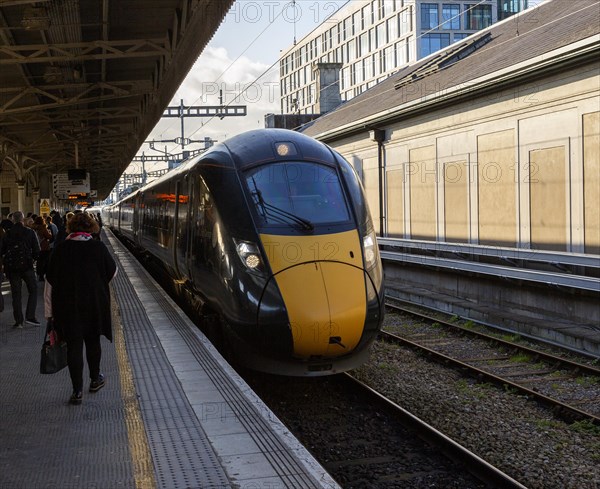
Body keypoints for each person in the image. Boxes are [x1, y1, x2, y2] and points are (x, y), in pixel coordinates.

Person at [45, 212, 117, 405]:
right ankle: (95, 379)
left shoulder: (60, 250)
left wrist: (49, 314)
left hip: (67, 308)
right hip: (94, 305)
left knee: (73, 347)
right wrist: (96, 284)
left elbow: (49, 281)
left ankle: (77, 391)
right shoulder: (98, 247)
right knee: (93, 343)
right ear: (91, 228)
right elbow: (112, 272)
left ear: (70, 228)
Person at [0, 211, 41, 328]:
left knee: (16, 295)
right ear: (23, 220)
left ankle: (18, 321)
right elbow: (37, 250)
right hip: (27, 267)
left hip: (12, 268)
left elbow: (1, 251)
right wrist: (32, 260)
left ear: (13, 220)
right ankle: (30, 316)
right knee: (33, 290)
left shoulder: (8, 234)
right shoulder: (30, 232)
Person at [32, 216, 52, 281]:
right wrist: (50, 233)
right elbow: (48, 236)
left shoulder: (33, 228)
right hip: (44, 247)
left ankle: (39, 274)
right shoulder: (43, 228)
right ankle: (43, 274)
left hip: (37, 246)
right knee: (45, 261)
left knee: (39, 261)